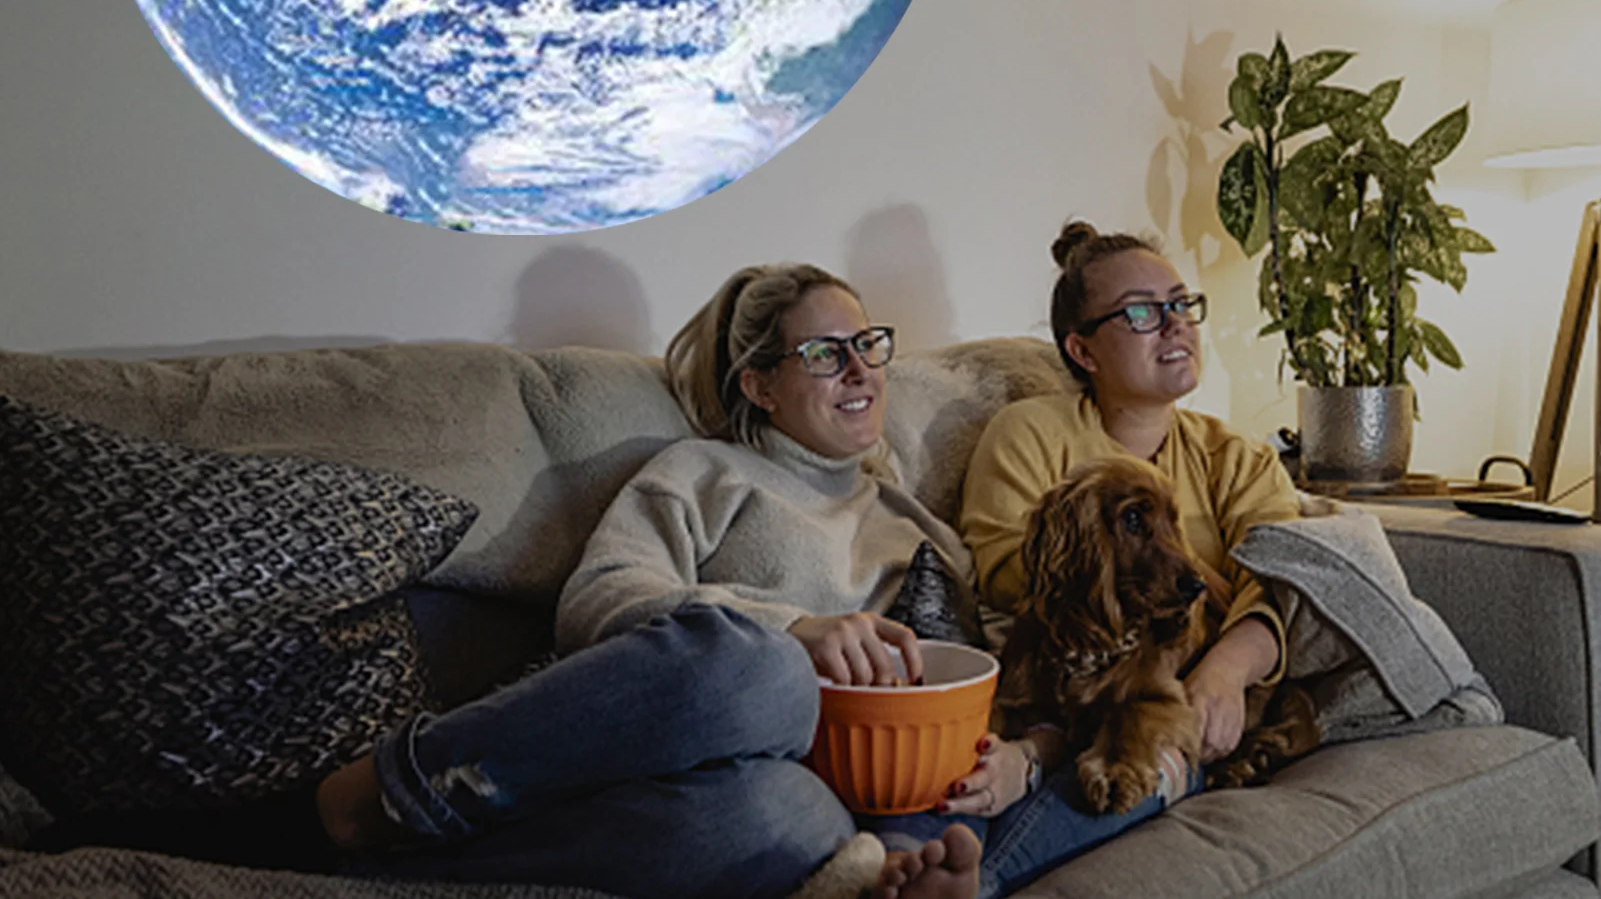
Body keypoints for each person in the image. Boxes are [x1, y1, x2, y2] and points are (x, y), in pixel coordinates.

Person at [311, 261, 1189, 899]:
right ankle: (398, 785)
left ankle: (891, 879)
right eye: (826, 352)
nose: (861, 369)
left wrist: (1025, 760)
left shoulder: (919, 526)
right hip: (733, 716)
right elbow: (597, 599)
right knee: (761, 669)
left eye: (869, 344)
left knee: (790, 820)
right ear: (760, 385)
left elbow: (1010, 678)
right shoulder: (702, 474)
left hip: (830, 794)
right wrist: (792, 629)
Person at [959, 221, 1303, 771]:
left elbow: (1284, 586)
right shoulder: (1029, 432)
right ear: (1083, 350)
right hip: (1080, 700)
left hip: (1205, 697)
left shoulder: (1240, 458)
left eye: (1181, 304)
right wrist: (1201, 588)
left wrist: (1226, 671)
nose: (1175, 324)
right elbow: (1013, 575)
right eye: (1141, 312)